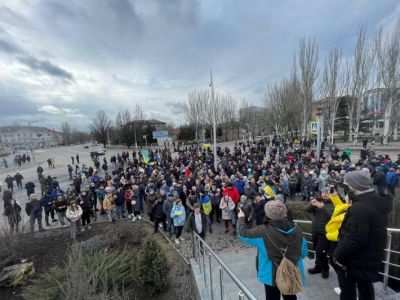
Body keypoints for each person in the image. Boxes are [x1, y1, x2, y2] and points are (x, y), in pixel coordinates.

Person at [333, 170, 392, 300]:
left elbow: (354, 238)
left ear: (355, 185)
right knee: (365, 286)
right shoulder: (376, 201)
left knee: (348, 290)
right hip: (370, 254)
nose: (345, 186)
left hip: (356, 258)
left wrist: (338, 256)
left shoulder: (360, 208)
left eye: (347, 183)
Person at [238, 200, 308, 300]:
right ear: (285, 213)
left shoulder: (262, 231)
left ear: (267, 214)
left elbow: (243, 233)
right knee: (290, 295)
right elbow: (304, 252)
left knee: (272, 297)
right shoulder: (298, 230)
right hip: (291, 271)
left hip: (270, 274)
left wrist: (241, 219)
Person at [305, 187, 333, 279]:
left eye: (327, 193)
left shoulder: (334, 204)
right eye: (323, 192)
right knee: (317, 251)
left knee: (321, 252)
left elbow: (332, 217)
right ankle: (318, 267)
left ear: (331, 194)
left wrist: (323, 208)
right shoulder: (318, 201)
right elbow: (306, 210)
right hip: (315, 231)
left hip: (326, 233)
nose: (325, 194)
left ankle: (325, 268)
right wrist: (312, 205)